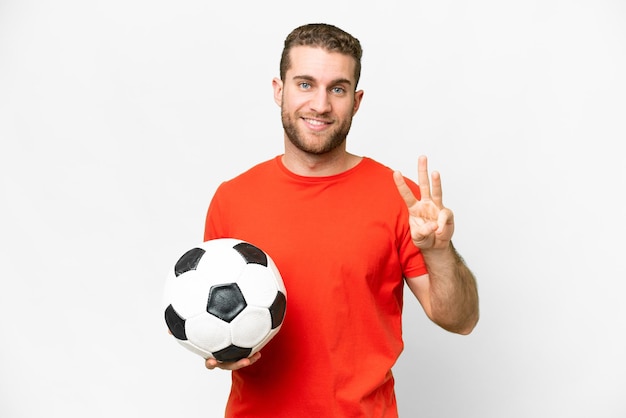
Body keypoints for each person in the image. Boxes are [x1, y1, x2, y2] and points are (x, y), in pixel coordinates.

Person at [203, 23, 479, 418]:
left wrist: (438, 251)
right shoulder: (231, 198)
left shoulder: (399, 198)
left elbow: (462, 320)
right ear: (278, 90)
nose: (320, 104)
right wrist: (216, 347)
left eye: (337, 88)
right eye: (304, 84)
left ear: (356, 99)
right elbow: (210, 315)